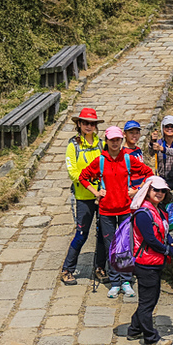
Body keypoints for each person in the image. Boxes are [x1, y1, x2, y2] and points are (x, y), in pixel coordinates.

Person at [79, 126, 154, 298]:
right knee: (111, 246)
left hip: (125, 209)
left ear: (121, 140)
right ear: (106, 141)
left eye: (118, 140)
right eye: (112, 140)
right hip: (106, 211)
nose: (115, 143)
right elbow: (83, 177)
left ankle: (126, 281)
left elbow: (148, 173)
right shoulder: (101, 161)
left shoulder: (127, 159)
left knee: (125, 245)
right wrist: (96, 193)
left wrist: (136, 190)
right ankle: (115, 281)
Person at [126, 176, 173, 345]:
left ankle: (134, 329)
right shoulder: (143, 213)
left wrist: (171, 240)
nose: (160, 193)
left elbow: (162, 230)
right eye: (156, 190)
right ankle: (151, 338)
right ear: (147, 190)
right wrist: (167, 250)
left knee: (149, 300)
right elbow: (150, 239)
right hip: (146, 264)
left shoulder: (158, 210)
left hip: (154, 262)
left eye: (163, 191)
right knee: (147, 303)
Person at [59, 107, 105, 286]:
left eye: (92, 123)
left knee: (102, 233)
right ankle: (67, 269)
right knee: (81, 234)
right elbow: (73, 173)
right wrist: (93, 190)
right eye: (85, 122)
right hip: (83, 197)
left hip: (102, 196)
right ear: (79, 124)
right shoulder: (73, 146)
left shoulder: (101, 144)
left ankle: (100, 267)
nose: (88, 126)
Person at [122, 120, 147, 191]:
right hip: (133, 188)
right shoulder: (124, 153)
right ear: (124, 134)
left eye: (137, 133)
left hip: (142, 185)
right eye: (131, 133)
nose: (134, 135)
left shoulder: (138, 149)